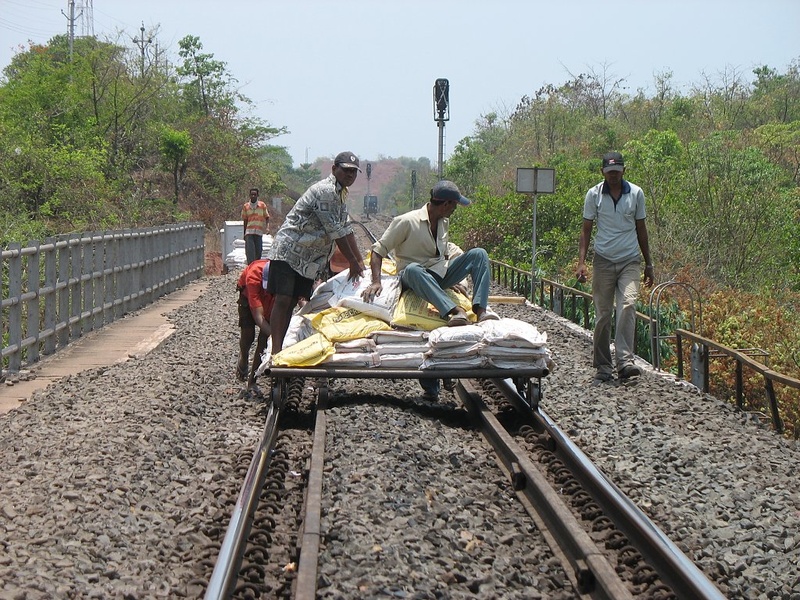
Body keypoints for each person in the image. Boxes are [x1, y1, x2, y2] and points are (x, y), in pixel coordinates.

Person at [361, 179, 498, 399]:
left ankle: (481, 311)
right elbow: (378, 251)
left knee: (479, 254)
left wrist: (453, 276)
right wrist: (376, 281)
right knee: (414, 269)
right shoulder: (406, 221)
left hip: (436, 274)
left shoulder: (443, 222)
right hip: (411, 277)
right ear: (445, 205)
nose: (454, 210)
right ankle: (454, 312)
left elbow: (442, 253)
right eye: (454, 206)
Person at [267, 151, 366, 354]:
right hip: (290, 251)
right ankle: (276, 351)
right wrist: (353, 262)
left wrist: (359, 260)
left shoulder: (340, 194)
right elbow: (336, 231)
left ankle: (280, 347)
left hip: (307, 258)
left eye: (354, 172)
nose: (350, 175)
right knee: (283, 299)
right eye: (346, 170)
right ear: (334, 169)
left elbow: (347, 228)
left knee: (293, 300)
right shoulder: (326, 191)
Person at [576, 151, 654, 382]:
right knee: (603, 314)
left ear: (623, 172)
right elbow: (586, 229)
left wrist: (649, 263)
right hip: (603, 260)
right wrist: (581, 262)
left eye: (617, 172)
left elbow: (641, 229)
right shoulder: (594, 194)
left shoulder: (636, 193)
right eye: (609, 172)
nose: (613, 176)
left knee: (628, 305)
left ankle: (625, 361)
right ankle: (602, 364)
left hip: (630, 260)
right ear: (603, 172)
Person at [236, 258, 275, 390]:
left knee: (264, 340)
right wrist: (275, 336)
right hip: (247, 298)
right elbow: (258, 317)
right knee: (248, 335)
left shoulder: (284, 282)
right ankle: (244, 357)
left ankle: (252, 380)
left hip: (271, 299)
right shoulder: (254, 276)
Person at [241, 188, 270, 265]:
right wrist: (244, 233)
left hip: (259, 232)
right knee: (250, 252)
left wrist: (267, 227)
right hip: (249, 232)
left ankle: (256, 268)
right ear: (249, 195)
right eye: (252, 194)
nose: (253, 196)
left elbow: (267, 217)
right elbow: (245, 220)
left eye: (255, 194)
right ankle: (251, 267)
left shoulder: (262, 205)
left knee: (258, 252)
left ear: (258, 195)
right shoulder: (246, 206)